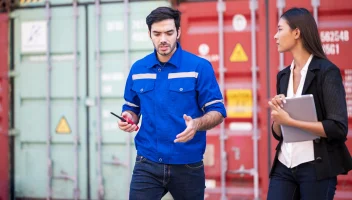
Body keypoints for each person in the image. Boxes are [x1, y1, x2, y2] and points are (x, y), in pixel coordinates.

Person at [117, 7, 226, 200]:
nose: (163, 39)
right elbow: (132, 108)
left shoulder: (199, 67)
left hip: (188, 164)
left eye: (169, 32)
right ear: (149, 34)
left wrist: (197, 124)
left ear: (178, 32)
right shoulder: (138, 69)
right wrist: (128, 117)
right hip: (147, 162)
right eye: (157, 34)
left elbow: (217, 111)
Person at [267, 7, 352, 200]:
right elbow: (278, 133)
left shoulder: (327, 72)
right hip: (284, 165)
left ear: (297, 32)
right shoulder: (283, 75)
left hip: (316, 168)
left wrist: (290, 121)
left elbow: (338, 128)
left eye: (280, 29)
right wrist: (278, 116)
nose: (275, 36)